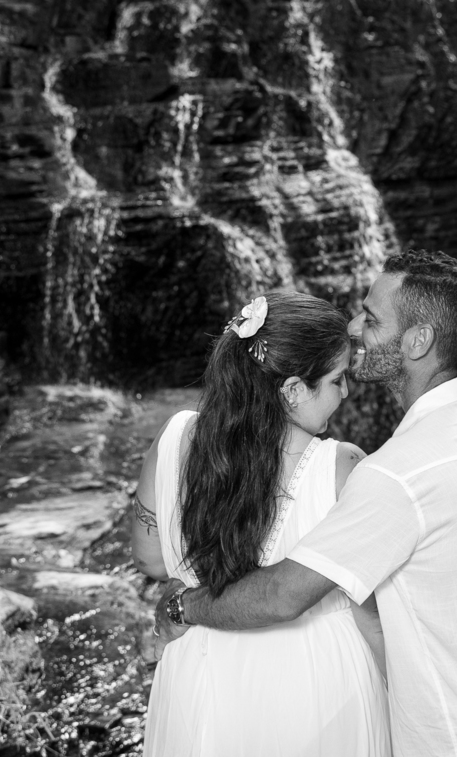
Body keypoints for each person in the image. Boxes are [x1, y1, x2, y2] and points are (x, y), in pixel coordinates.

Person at [155, 249, 457, 756]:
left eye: (372, 320)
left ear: (419, 341)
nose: (354, 328)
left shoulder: (396, 474)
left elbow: (283, 595)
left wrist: (183, 605)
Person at [130, 290, 390, 757]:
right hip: (315, 691)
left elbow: (149, 559)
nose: (346, 393)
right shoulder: (341, 466)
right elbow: (373, 612)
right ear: (292, 390)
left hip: (200, 674)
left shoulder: (172, 439)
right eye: (337, 380)